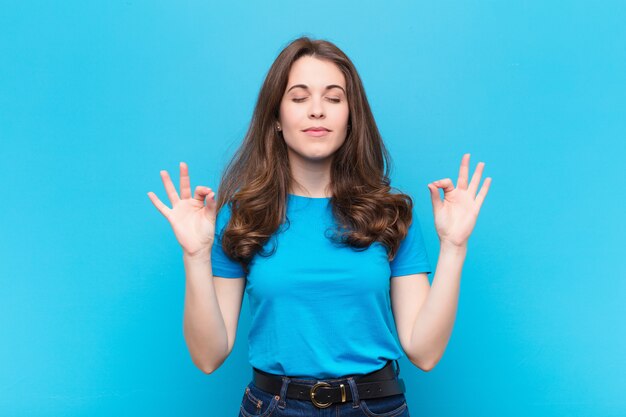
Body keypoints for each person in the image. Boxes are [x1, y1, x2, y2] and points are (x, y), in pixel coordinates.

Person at [147, 36, 491, 417]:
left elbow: (424, 352)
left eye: (333, 98)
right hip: (273, 407)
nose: (317, 111)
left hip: (375, 406)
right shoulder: (242, 217)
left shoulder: (388, 214)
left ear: (350, 116)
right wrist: (195, 256)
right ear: (276, 117)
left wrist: (454, 247)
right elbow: (208, 356)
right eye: (299, 98)